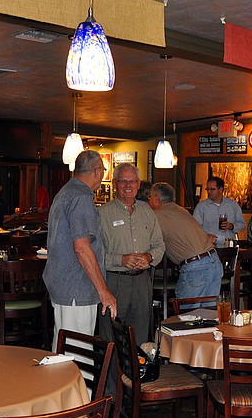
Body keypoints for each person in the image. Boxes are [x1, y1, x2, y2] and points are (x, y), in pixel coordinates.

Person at [43, 150, 117, 351]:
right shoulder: (81, 197)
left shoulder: (65, 192)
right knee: (78, 352)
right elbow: (82, 248)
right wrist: (103, 291)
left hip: (64, 286)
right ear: (97, 171)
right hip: (77, 287)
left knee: (63, 349)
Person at [98, 163, 165, 346]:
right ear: (114, 184)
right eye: (123, 181)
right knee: (111, 336)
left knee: (140, 335)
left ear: (138, 184)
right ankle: (112, 367)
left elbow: (159, 245)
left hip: (142, 281)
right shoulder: (102, 214)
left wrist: (149, 257)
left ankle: (138, 366)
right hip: (114, 281)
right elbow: (95, 253)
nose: (128, 185)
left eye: (132, 181)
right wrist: (120, 260)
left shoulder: (148, 212)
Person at [149, 182, 222, 301]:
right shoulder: (181, 210)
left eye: (150, 197)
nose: (148, 201)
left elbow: (147, 242)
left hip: (196, 267)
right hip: (214, 261)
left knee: (187, 310)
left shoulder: (156, 216)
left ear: (157, 198)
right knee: (208, 310)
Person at [193, 176, 245, 248]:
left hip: (228, 247)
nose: (209, 192)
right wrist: (206, 236)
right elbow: (195, 227)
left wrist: (231, 226)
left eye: (212, 189)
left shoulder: (232, 205)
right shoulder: (201, 207)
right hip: (209, 247)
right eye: (207, 189)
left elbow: (242, 224)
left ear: (221, 189)